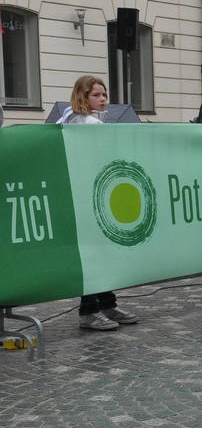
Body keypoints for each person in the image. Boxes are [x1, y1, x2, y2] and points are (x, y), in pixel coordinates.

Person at [57, 76, 139, 331]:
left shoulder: (69, 119)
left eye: (104, 95)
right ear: (83, 96)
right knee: (95, 253)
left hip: (82, 192)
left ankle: (105, 304)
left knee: (97, 252)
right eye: (96, 95)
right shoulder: (89, 123)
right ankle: (90, 310)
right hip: (91, 194)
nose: (103, 99)